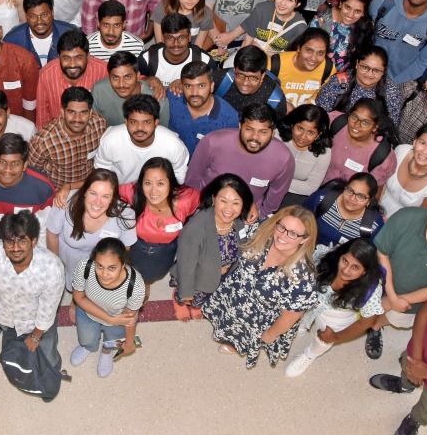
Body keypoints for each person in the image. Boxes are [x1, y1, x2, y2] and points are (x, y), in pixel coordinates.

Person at [203, 206, 318, 368]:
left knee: (239, 336)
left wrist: (269, 335)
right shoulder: (263, 231)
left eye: (293, 234)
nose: (283, 236)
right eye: (282, 227)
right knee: (224, 318)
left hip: (257, 318)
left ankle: (236, 344)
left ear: (304, 239)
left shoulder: (302, 278)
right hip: (233, 293)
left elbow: (290, 317)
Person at [0, 211, 66, 401]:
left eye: (22, 241)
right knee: (14, 353)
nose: (15, 248)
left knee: (48, 353)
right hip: (6, 318)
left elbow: (48, 309)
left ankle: (51, 376)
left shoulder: (52, 268)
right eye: (9, 241)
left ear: (34, 241)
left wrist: (36, 336)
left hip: (39, 324)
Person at [285, 239, 384, 378]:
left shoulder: (370, 291)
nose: (346, 270)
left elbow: (365, 322)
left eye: (355, 267)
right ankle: (301, 324)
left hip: (337, 316)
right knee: (302, 307)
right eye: (345, 261)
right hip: (314, 300)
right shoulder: (327, 258)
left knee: (325, 339)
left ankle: (309, 355)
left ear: (364, 272)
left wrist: (335, 337)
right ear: (340, 255)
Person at [185, 103, 294, 219]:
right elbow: (192, 181)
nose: (255, 137)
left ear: (272, 133)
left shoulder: (283, 158)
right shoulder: (213, 142)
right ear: (240, 126)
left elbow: (274, 198)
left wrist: (260, 214)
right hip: (206, 209)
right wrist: (199, 208)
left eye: (263, 132)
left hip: (246, 217)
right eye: (249, 129)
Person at [171, 173, 253, 321]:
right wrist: (186, 291)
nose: (229, 209)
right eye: (223, 201)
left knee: (202, 299)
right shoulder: (196, 227)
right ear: (214, 199)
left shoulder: (239, 220)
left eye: (236, 203)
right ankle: (179, 302)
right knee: (190, 295)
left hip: (219, 275)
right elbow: (186, 264)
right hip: (196, 276)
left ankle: (196, 305)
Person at [120, 157, 200, 299]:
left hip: (167, 251)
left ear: (171, 184)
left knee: (156, 273)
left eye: (160, 183)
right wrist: (69, 187)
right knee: (134, 271)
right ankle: (142, 283)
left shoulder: (186, 198)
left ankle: (147, 281)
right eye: (148, 183)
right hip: (137, 247)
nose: (153, 191)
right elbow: (105, 185)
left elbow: (214, 199)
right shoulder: (134, 192)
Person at [46, 168, 136, 292]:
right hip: (69, 260)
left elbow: (124, 250)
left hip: (103, 265)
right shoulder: (65, 203)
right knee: (75, 289)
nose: (97, 202)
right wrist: (55, 267)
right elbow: (52, 235)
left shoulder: (125, 216)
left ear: (113, 198)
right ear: (84, 192)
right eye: (93, 193)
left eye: (105, 196)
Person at [367, 205, 427, 362]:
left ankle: (376, 327)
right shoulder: (407, 217)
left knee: (397, 318)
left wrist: (398, 301)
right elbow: (382, 253)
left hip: (412, 301)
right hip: (379, 278)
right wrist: (391, 295)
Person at [369, 291, 427, 435]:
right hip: (419, 350)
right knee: (407, 368)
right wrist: (417, 359)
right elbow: (424, 314)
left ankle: (415, 419)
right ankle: (404, 385)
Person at [70, 237, 145, 377]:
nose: (104, 274)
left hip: (119, 319)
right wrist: (110, 319)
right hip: (88, 312)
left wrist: (129, 342)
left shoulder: (136, 285)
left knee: (113, 340)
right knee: (86, 338)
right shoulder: (85, 266)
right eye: (99, 266)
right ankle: (88, 347)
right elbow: (79, 297)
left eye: (112, 268)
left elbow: (129, 319)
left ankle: (106, 351)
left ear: (123, 265)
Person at [28, 86, 107, 203]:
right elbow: (32, 173)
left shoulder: (99, 124)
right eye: (71, 112)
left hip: (90, 187)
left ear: (90, 113)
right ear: (63, 112)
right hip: (59, 194)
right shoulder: (44, 140)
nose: (77, 119)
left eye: (83, 113)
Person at [94, 94, 188, 184]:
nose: (140, 128)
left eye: (146, 122)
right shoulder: (110, 140)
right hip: (119, 193)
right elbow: (102, 174)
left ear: (156, 122)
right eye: (134, 122)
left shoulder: (173, 145)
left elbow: (179, 179)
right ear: (126, 122)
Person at [369, 0, 427, 84]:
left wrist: (393, 85)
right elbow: (362, 38)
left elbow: (422, 62)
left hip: (400, 81)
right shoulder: (383, 2)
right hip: (366, 72)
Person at [36, 29, 108, 129]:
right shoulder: (45, 75)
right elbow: (42, 118)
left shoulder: (104, 71)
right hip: (58, 136)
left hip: (94, 134)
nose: (72, 64)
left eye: (78, 58)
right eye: (66, 58)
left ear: (87, 56)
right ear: (58, 57)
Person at [166, 60, 238, 156]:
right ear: (182, 86)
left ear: (212, 86)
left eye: (201, 86)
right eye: (188, 86)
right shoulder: (173, 97)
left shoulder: (229, 119)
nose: (194, 92)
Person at [316, 45, 401, 125]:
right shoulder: (339, 82)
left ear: (384, 71)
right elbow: (320, 116)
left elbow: (390, 126)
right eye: (365, 67)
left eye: (376, 71)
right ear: (357, 64)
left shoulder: (391, 90)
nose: (369, 74)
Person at [322, 98, 398, 187]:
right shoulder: (335, 122)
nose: (357, 125)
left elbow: (371, 190)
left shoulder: (382, 157)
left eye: (365, 122)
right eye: (354, 117)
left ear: (375, 127)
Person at [304, 174, 385, 248]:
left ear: (369, 201)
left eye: (361, 196)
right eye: (350, 191)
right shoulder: (322, 198)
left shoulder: (374, 225)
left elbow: (369, 255)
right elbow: (299, 219)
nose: (352, 198)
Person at [92, 51, 170, 128]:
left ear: (138, 76)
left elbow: (161, 136)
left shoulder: (159, 102)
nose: (121, 84)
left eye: (128, 77)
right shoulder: (99, 91)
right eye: (115, 77)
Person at [4, 0, 76, 68]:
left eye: (44, 15)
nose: (39, 21)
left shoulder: (71, 35)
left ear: (52, 13)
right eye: (33, 16)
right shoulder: (12, 40)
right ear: (26, 17)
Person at [138, 12, 214, 87]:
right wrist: (147, 79)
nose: (176, 44)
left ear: (189, 37)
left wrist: (186, 85)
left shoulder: (204, 61)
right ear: (162, 38)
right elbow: (135, 82)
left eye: (181, 38)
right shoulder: (147, 58)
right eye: (170, 38)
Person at [277, 104, 332, 206]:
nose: (303, 136)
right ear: (293, 125)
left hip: (293, 197)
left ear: (318, 135)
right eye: (300, 128)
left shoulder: (323, 154)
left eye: (310, 132)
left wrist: (277, 181)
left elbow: (310, 187)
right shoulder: (277, 136)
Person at [309, 0, 373, 72]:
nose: (350, 15)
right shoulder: (321, 22)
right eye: (347, 7)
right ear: (340, 4)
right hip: (315, 72)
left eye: (357, 11)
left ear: (363, 13)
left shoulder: (364, 29)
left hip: (341, 79)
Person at [212, 46, 288, 119]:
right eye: (240, 75)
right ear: (234, 70)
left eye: (253, 77)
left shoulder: (275, 100)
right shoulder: (220, 79)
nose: (245, 83)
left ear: (262, 76)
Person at [381, 123, 427, 217]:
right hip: (375, 211)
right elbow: (381, 183)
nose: (425, 151)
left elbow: (420, 218)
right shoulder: (401, 151)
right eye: (422, 143)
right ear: (415, 141)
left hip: (401, 227)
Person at [240, 0, 307, 54]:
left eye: (290, 0)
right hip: (252, 56)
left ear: (298, 4)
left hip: (277, 62)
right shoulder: (261, 9)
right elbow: (246, 43)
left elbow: (291, 57)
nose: (282, 3)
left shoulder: (300, 27)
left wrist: (263, 51)